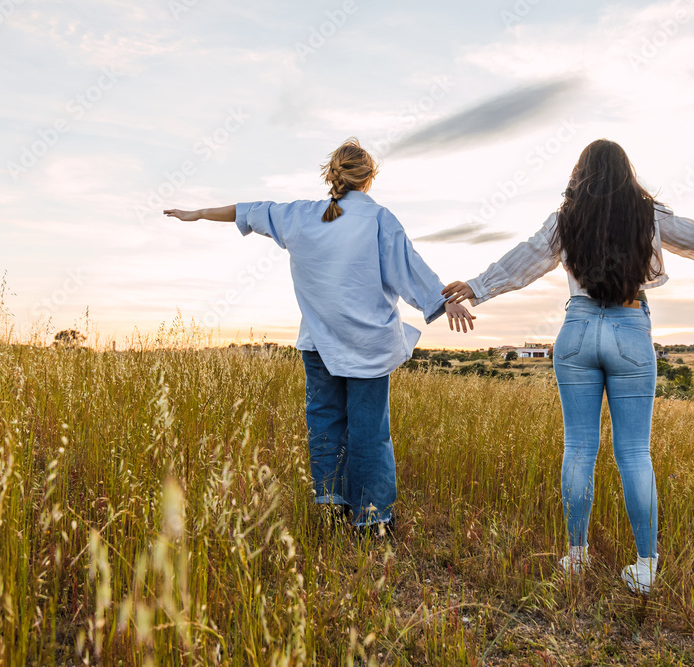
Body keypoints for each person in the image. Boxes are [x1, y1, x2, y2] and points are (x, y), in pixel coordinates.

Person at [442, 139, 694, 593]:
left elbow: (523, 260)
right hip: (628, 330)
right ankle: (645, 567)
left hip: (577, 329)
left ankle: (576, 557)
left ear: (580, 172)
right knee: (634, 454)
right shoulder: (648, 214)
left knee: (579, 450)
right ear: (627, 172)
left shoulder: (565, 217)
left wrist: (477, 287)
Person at [164, 137, 476, 533]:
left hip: (318, 344)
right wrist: (443, 301)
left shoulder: (300, 216)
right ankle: (373, 519)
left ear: (332, 175)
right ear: (369, 178)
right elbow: (410, 268)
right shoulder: (378, 219)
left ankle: (331, 506)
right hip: (368, 347)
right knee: (369, 431)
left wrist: (196, 213)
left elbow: (247, 210)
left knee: (326, 422)